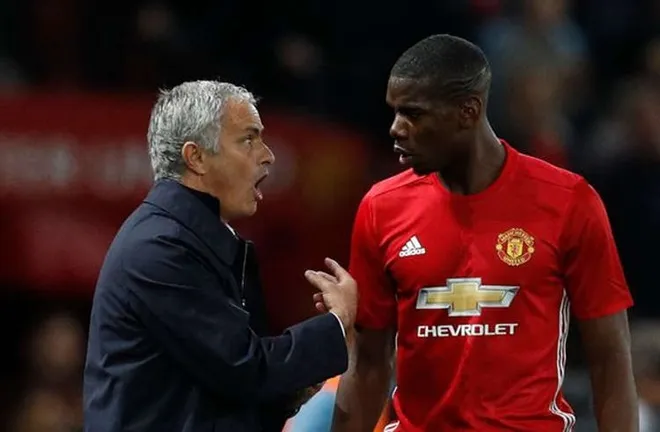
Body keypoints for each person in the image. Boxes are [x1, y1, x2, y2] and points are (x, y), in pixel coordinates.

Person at [331, 34, 637, 432]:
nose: (396, 129)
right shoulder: (381, 208)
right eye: (395, 113)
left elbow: (610, 358)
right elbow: (368, 364)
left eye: (413, 114)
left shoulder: (569, 202)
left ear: (468, 111)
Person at [83, 80, 357, 432]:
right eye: (248, 139)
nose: (267, 155)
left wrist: (290, 388)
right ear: (196, 157)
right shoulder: (160, 247)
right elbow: (243, 367)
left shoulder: (192, 239)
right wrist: (337, 321)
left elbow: (216, 385)